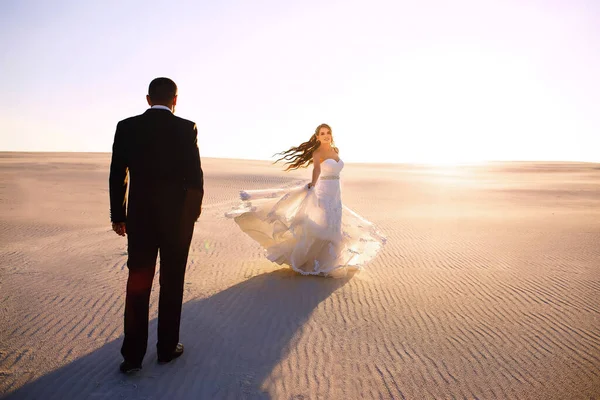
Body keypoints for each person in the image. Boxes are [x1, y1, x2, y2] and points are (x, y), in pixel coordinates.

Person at [109, 77, 204, 373]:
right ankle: (166, 349)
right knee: (172, 283)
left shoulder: (127, 127)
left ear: (148, 99)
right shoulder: (185, 128)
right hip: (177, 222)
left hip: (139, 219)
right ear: (175, 100)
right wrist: (190, 216)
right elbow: (195, 178)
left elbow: (117, 175)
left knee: (138, 282)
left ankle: (132, 356)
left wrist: (118, 215)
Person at [226, 123, 385, 276]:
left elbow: (337, 170)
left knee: (335, 223)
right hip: (324, 189)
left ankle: (333, 260)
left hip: (336, 190)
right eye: (322, 134)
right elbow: (317, 169)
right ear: (317, 137)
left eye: (328, 133)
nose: (326, 136)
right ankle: (315, 261)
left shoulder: (336, 150)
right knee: (325, 222)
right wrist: (313, 185)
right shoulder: (318, 153)